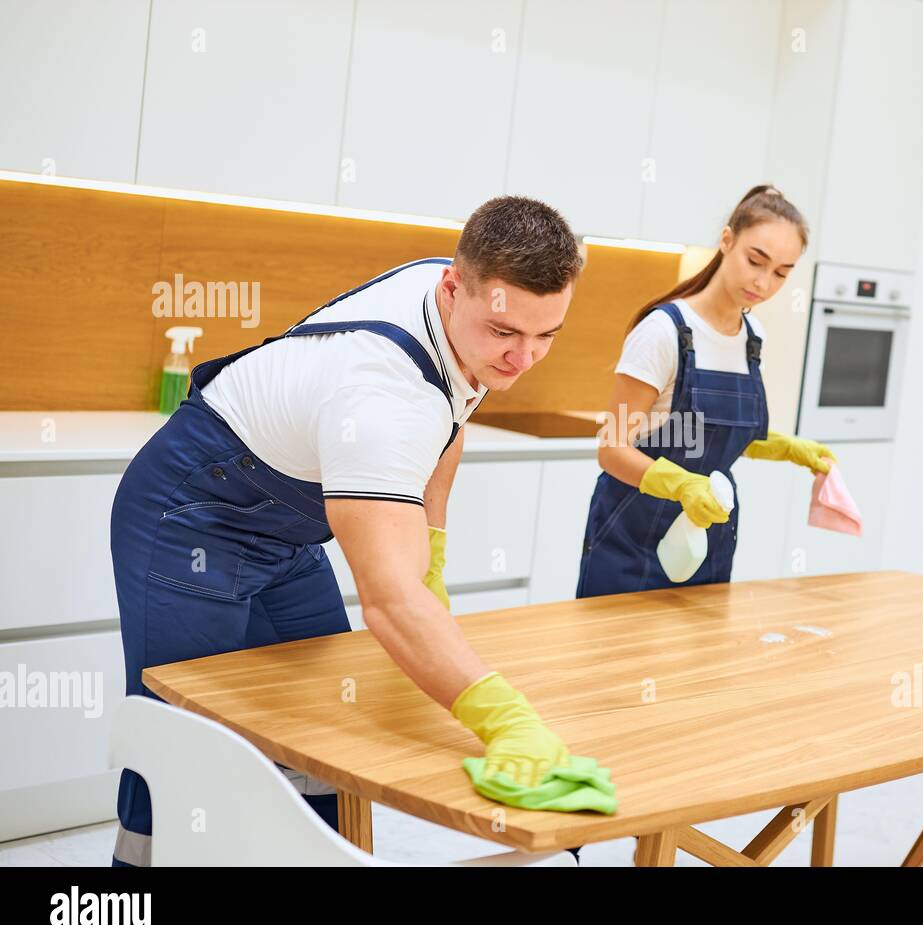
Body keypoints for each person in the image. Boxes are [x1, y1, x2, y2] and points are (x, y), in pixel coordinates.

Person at [109, 196, 587, 865]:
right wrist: (506, 722)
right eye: (507, 334)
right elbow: (388, 604)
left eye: (546, 336)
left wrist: (433, 563)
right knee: (187, 747)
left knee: (325, 728)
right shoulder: (384, 394)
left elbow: (449, 422)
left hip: (282, 530)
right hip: (189, 512)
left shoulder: (459, 308)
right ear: (455, 287)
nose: (524, 357)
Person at [577, 185, 835, 599]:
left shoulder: (753, 338)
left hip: (708, 538)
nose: (764, 282)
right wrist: (681, 485)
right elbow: (612, 448)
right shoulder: (663, 333)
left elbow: (711, 435)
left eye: (782, 273)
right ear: (727, 240)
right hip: (632, 537)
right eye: (756, 261)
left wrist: (787, 448)